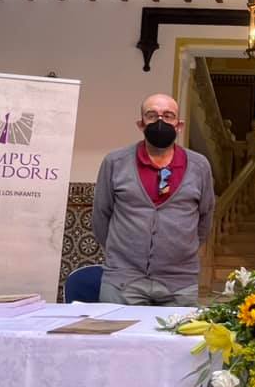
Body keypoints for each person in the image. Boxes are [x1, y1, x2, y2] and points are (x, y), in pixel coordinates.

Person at [92, 93, 215, 306]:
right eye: (152, 115)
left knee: (179, 330)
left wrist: (180, 249)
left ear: (179, 125)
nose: (160, 121)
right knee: (117, 330)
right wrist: (122, 254)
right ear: (141, 124)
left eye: (168, 116)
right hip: (123, 281)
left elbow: (205, 217)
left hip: (179, 283)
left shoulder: (199, 166)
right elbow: (101, 216)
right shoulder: (115, 162)